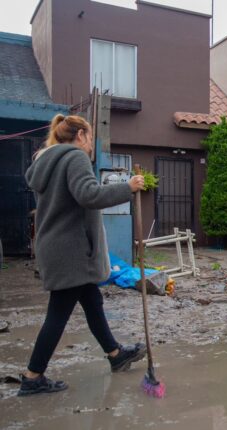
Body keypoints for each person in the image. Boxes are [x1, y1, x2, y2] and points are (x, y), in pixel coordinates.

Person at [19, 114, 147, 396]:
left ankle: (115, 354)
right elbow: (88, 195)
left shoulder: (46, 161)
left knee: (92, 299)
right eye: (90, 138)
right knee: (58, 313)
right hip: (71, 249)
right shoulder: (74, 158)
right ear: (80, 136)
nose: (91, 145)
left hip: (57, 246)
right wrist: (128, 188)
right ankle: (33, 376)